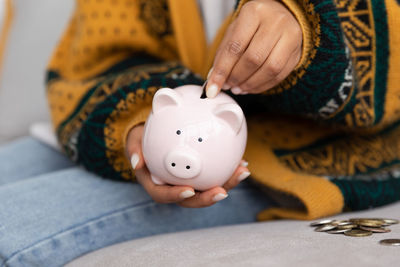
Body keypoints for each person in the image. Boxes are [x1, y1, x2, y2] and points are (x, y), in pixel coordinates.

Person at [1, 0, 400, 266]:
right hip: (120, 125)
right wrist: (139, 123)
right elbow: (100, 47)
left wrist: (309, 26)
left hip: (293, 148)